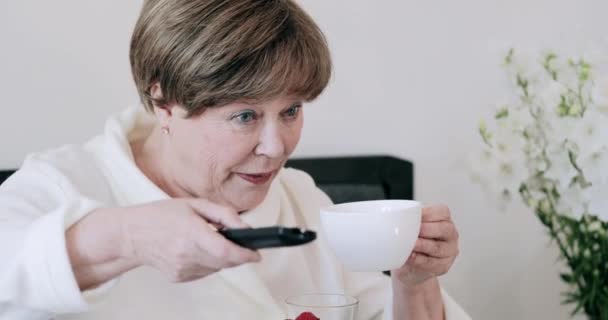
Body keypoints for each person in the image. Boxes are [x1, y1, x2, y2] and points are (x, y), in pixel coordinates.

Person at [0, 0, 470, 319]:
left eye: (291, 111)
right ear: (163, 102)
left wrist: (417, 280)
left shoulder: (300, 199)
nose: (276, 146)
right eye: (245, 116)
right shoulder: (64, 183)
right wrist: (131, 237)